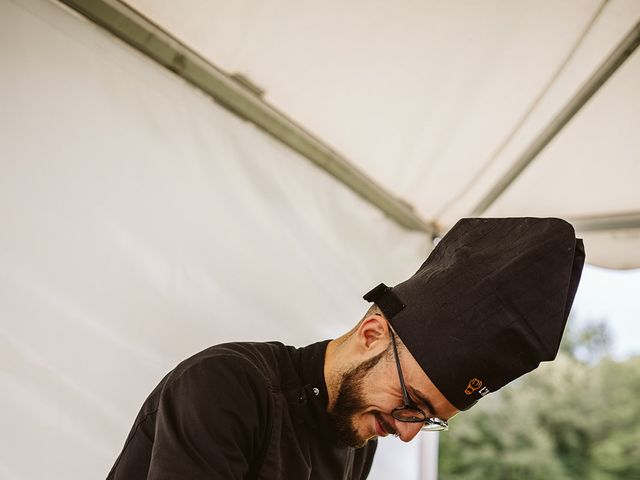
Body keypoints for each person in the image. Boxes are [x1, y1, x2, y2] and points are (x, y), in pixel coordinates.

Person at [107, 217, 585, 479]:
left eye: (427, 419)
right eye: (412, 404)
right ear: (372, 333)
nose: (407, 433)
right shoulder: (226, 386)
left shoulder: (356, 437)